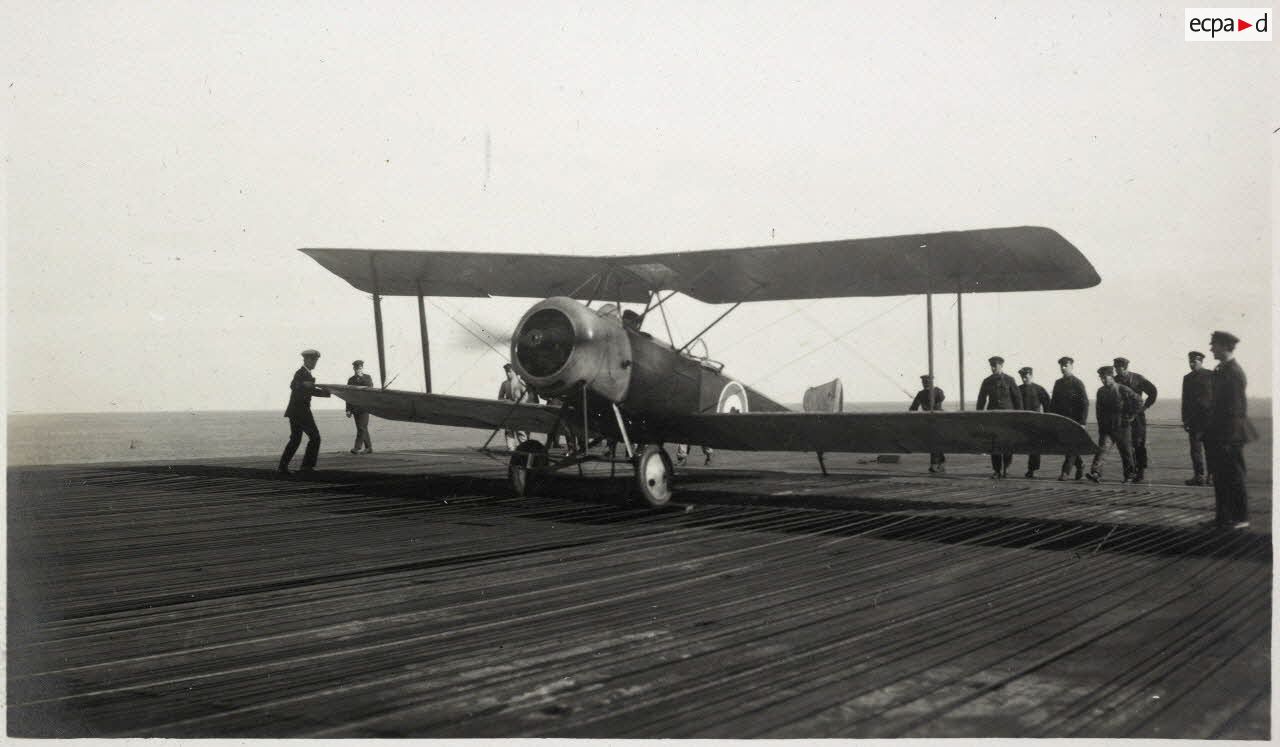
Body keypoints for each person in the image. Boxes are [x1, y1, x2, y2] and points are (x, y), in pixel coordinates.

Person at [1204, 331, 1256, 530]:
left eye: (1214, 345)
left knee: (1234, 475)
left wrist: (1229, 437)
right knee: (1221, 475)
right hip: (1220, 433)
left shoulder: (1232, 372)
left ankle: (1241, 518)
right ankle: (1223, 517)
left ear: (1225, 346)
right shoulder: (1222, 369)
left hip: (1230, 434)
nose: (1211, 348)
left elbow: (1236, 409)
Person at [1085, 365, 1140, 483]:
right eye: (1101, 378)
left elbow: (1138, 401)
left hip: (1122, 427)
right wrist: (1101, 427)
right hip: (1107, 428)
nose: (1103, 380)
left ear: (1111, 376)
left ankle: (1129, 475)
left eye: (1105, 377)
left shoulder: (1123, 389)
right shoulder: (1101, 392)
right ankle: (1095, 473)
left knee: (1126, 452)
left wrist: (1131, 415)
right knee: (1101, 450)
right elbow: (1099, 411)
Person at [279, 349, 330, 475]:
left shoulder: (307, 374)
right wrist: (304, 385)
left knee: (295, 439)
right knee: (315, 437)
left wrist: (327, 393)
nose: (314, 363)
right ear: (306, 360)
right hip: (301, 411)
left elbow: (310, 390)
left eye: (316, 360)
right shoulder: (301, 373)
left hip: (295, 411)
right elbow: (293, 385)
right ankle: (307, 466)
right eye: (312, 360)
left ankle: (282, 467)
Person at [1112, 357, 1158, 484]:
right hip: (1123, 418)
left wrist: (1145, 406)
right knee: (1126, 446)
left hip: (1137, 417)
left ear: (1125, 367)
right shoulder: (1115, 380)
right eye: (1115, 368)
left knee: (1139, 444)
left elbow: (1153, 392)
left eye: (1118, 368)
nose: (1116, 370)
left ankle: (1141, 472)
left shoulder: (1138, 379)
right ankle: (1129, 473)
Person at [976, 356, 1022, 478]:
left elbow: (1017, 398)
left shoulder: (1009, 380)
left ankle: (1006, 468)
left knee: (1007, 443)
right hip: (993, 416)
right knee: (994, 444)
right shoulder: (987, 381)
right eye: (991, 365)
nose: (992, 368)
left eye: (995, 366)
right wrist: (978, 415)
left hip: (1008, 416)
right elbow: (981, 399)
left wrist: (1020, 416)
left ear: (1001, 366)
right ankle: (997, 470)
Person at [1049, 356, 1089, 481]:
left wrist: (1082, 422)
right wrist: (1052, 419)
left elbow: (1085, 403)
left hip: (1074, 421)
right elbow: (1054, 402)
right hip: (1061, 420)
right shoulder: (1058, 383)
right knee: (1067, 446)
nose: (1063, 368)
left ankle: (1065, 472)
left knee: (1071, 446)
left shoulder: (1077, 383)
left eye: (1066, 365)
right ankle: (1080, 464)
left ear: (1072, 366)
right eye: (1061, 365)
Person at [1181, 350, 1214, 486]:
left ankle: (1211, 477)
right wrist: (1185, 419)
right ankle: (1199, 476)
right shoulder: (1187, 378)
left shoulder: (1211, 375)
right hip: (1194, 421)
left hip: (1210, 420)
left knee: (1211, 449)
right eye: (1190, 361)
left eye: (1194, 361)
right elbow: (1185, 401)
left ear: (1201, 362)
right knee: (1195, 450)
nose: (1191, 364)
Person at [1017, 367, 1051, 478]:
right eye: (1022, 377)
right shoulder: (1018, 389)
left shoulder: (1039, 389)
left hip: (1036, 422)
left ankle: (1032, 469)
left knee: (1035, 447)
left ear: (1031, 375)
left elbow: (1047, 404)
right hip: (1022, 422)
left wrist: (1046, 420)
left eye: (1026, 376)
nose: (1024, 379)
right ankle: (1005, 468)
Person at [908, 373, 946, 473]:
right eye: (923, 382)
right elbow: (913, 408)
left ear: (931, 381)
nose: (924, 383)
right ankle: (940, 463)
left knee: (934, 442)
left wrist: (925, 403)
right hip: (929, 421)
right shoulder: (921, 393)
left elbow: (940, 400)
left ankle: (935, 464)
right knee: (933, 443)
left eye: (926, 382)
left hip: (938, 420)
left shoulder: (937, 391)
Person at [345, 359, 374, 454]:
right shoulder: (351, 380)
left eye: (360, 368)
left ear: (362, 368)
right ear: (354, 368)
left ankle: (357, 448)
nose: (358, 370)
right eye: (357, 368)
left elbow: (370, 388)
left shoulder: (367, 378)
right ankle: (369, 448)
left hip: (365, 407)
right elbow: (348, 395)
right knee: (362, 428)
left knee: (362, 427)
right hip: (355, 408)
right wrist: (348, 409)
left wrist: (361, 377)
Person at [497, 363, 528, 450]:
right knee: (508, 430)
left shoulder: (520, 382)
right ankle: (511, 448)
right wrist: (505, 401)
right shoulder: (504, 384)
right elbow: (500, 396)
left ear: (514, 371)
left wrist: (521, 403)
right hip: (508, 409)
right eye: (506, 372)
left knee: (520, 429)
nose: (508, 374)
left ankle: (524, 447)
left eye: (510, 372)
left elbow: (526, 394)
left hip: (519, 409)